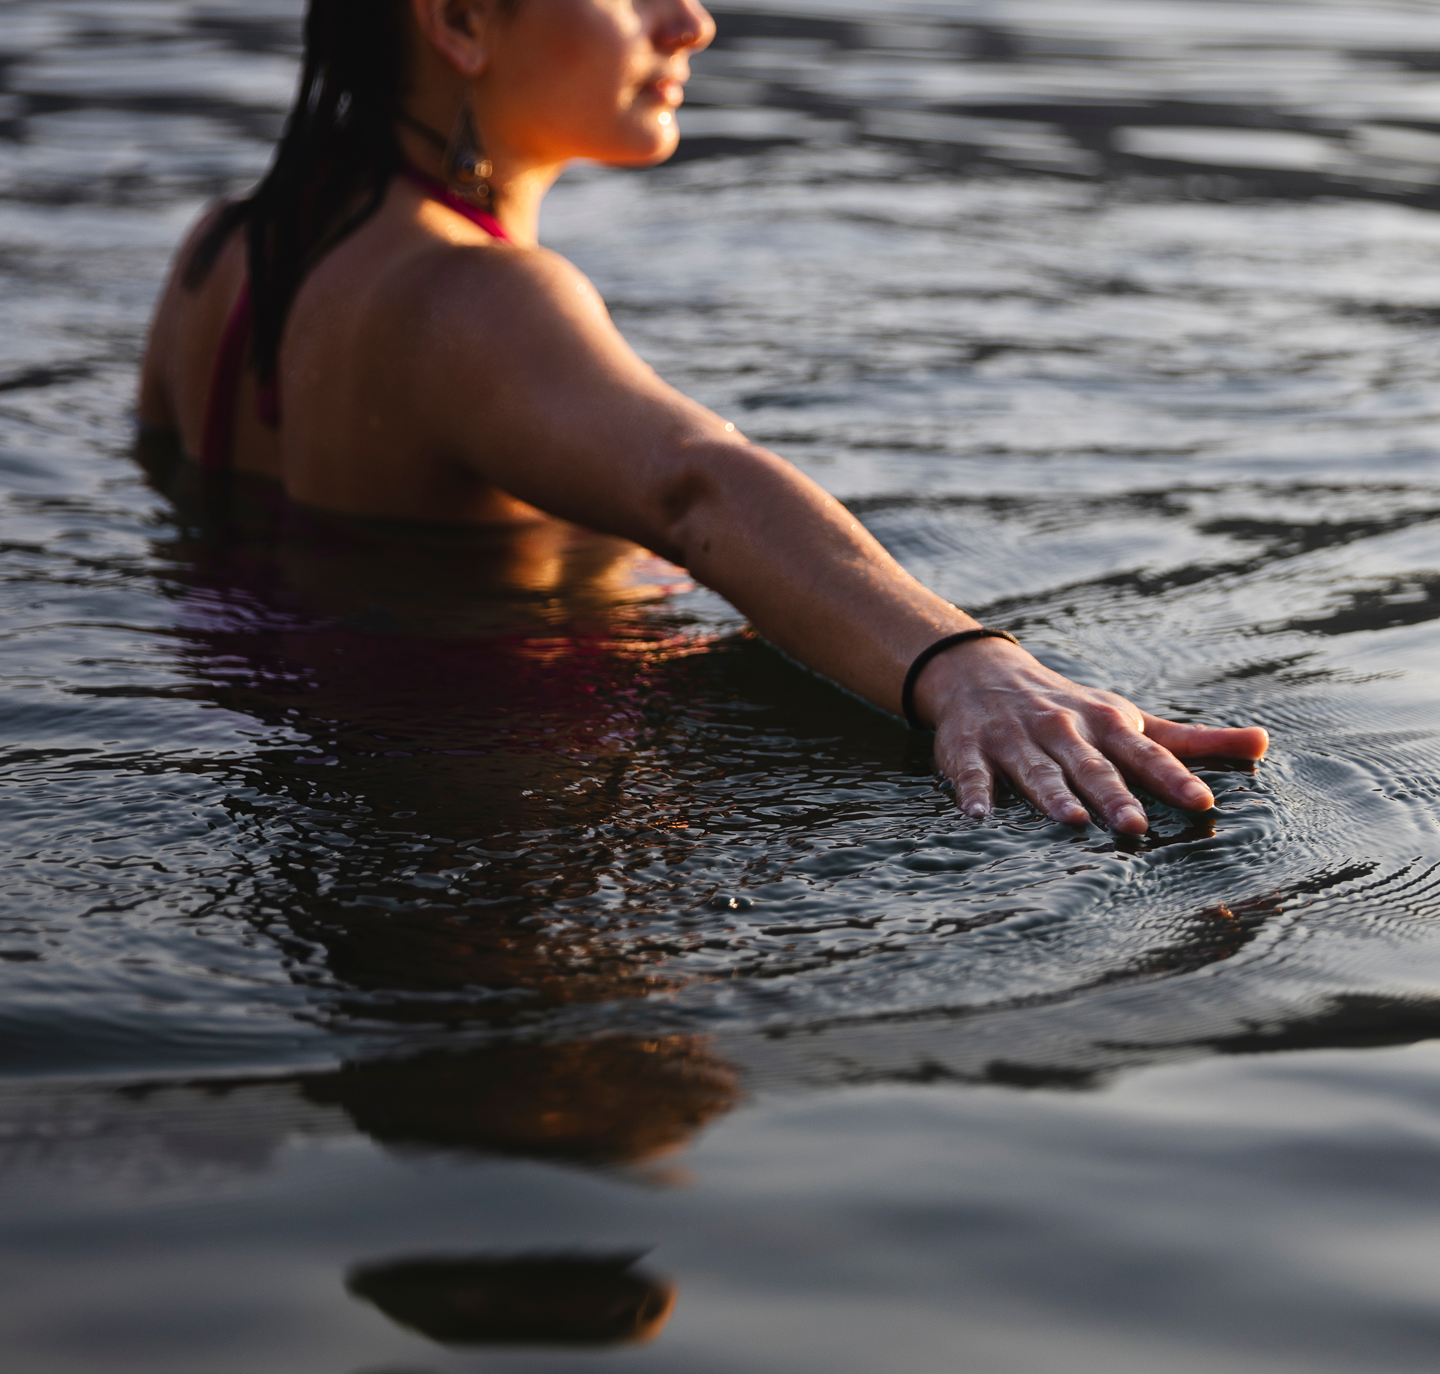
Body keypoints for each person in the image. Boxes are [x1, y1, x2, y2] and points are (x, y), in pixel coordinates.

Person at [137, 0, 1268, 835]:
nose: (691, 22)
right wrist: (967, 665)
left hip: (317, 795)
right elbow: (689, 477)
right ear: (463, 22)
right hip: (522, 813)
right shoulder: (476, 292)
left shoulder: (221, 253)